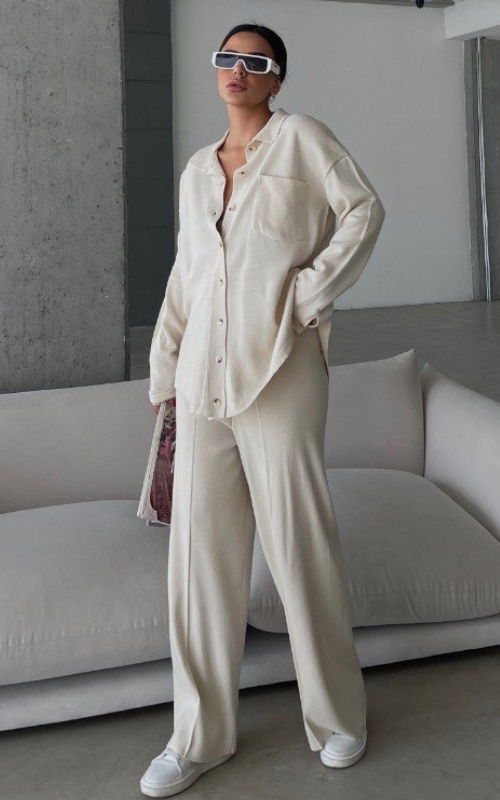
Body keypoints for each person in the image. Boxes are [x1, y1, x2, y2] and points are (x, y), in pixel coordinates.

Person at [140, 22, 385, 798]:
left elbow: (363, 211)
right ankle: (197, 738)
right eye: (228, 58)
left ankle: (339, 718)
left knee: (300, 544)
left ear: (277, 78)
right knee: (199, 564)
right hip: (199, 383)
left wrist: (308, 294)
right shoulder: (195, 171)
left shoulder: (303, 140)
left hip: (280, 369)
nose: (237, 70)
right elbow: (186, 278)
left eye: (256, 61)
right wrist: (164, 370)